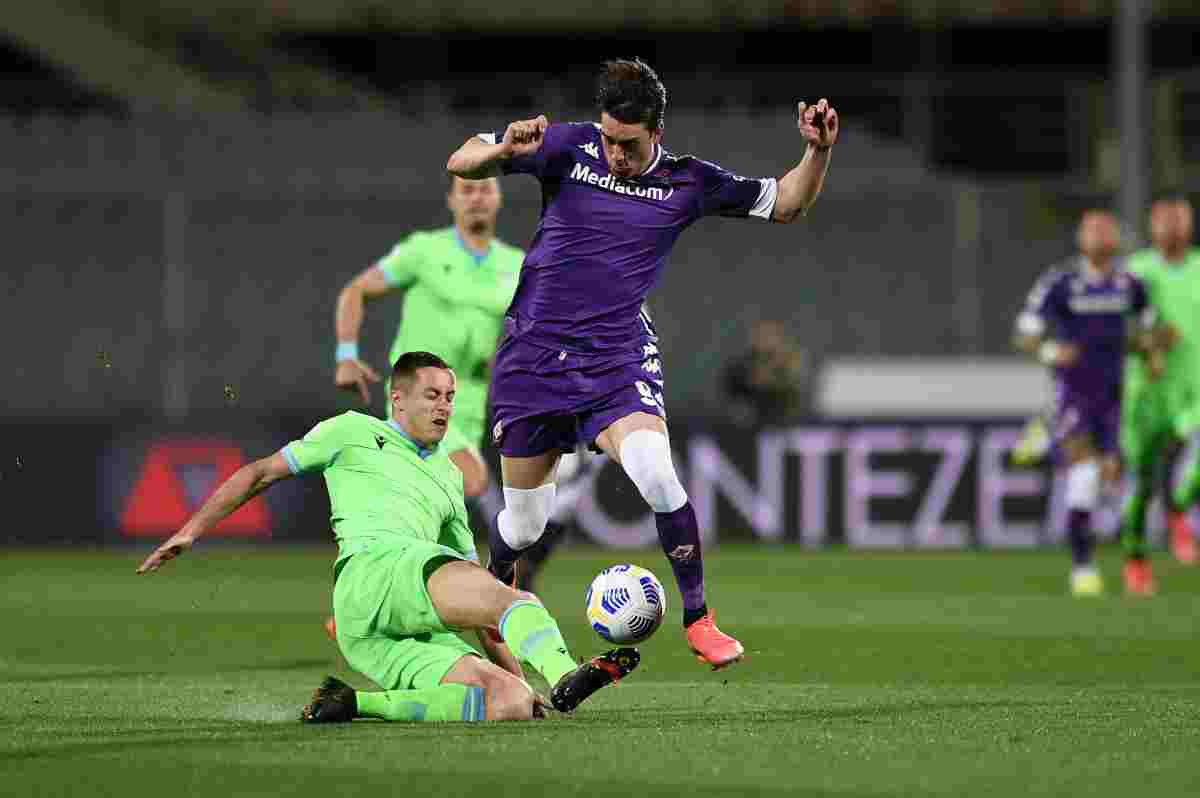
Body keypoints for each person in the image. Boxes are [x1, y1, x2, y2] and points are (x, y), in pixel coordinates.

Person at [446, 57, 838, 669]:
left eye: (627, 143)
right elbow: (461, 160)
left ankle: (700, 619)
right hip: (533, 357)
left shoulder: (688, 182)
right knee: (522, 528)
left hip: (616, 357)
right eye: (606, 138)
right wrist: (501, 149)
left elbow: (786, 202)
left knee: (656, 472)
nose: (613, 152)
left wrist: (816, 153)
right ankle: (488, 604)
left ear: (657, 131)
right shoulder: (567, 146)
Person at [136, 352, 639, 722]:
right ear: (397, 399)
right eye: (432, 395)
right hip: (377, 569)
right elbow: (259, 474)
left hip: (371, 628)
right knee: (515, 597)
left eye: (450, 398)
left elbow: (488, 615)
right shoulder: (350, 430)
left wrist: (521, 682)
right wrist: (189, 531)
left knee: (506, 702)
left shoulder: (447, 475)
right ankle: (564, 673)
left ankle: (352, 703)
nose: (444, 407)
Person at [333, 175, 524, 499]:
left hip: (469, 402)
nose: (476, 197)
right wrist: (346, 355)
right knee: (469, 479)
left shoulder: (517, 265)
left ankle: (387, 497)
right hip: (418, 393)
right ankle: (385, 482)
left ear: (498, 198)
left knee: (449, 502)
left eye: (485, 189)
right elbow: (356, 291)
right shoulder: (423, 251)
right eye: (467, 190)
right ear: (451, 200)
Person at [1013, 210, 1158, 596]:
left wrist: (1152, 351)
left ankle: (1045, 439)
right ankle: (1083, 569)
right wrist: (1050, 351)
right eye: (1091, 229)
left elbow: (1147, 330)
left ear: (1116, 238)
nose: (1098, 235)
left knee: (1110, 481)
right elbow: (1026, 333)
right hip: (1073, 392)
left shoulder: (1130, 284)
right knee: (1083, 477)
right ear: (1080, 238)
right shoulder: (1061, 283)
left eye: (1105, 229)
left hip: (1116, 396)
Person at [1119, 196, 1200, 592]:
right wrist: (1150, 343)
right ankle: (1135, 557)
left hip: (1195, 387)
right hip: (1149, 391)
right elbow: (1121, 331)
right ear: (1153, 229)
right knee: (1142, 481)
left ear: (1189, 225)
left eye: (1179, 221)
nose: (1172, 228)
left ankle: (1179, 512)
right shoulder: (1137, 271)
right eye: (1164, 222)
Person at [722, 319, 811, 427]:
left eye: (771, 336)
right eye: (760, 335)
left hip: (783, 424)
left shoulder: (790, 364)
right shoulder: (738, 368)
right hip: (747, 425)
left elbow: (793, 393)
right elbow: (733, 398)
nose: (765, 341)